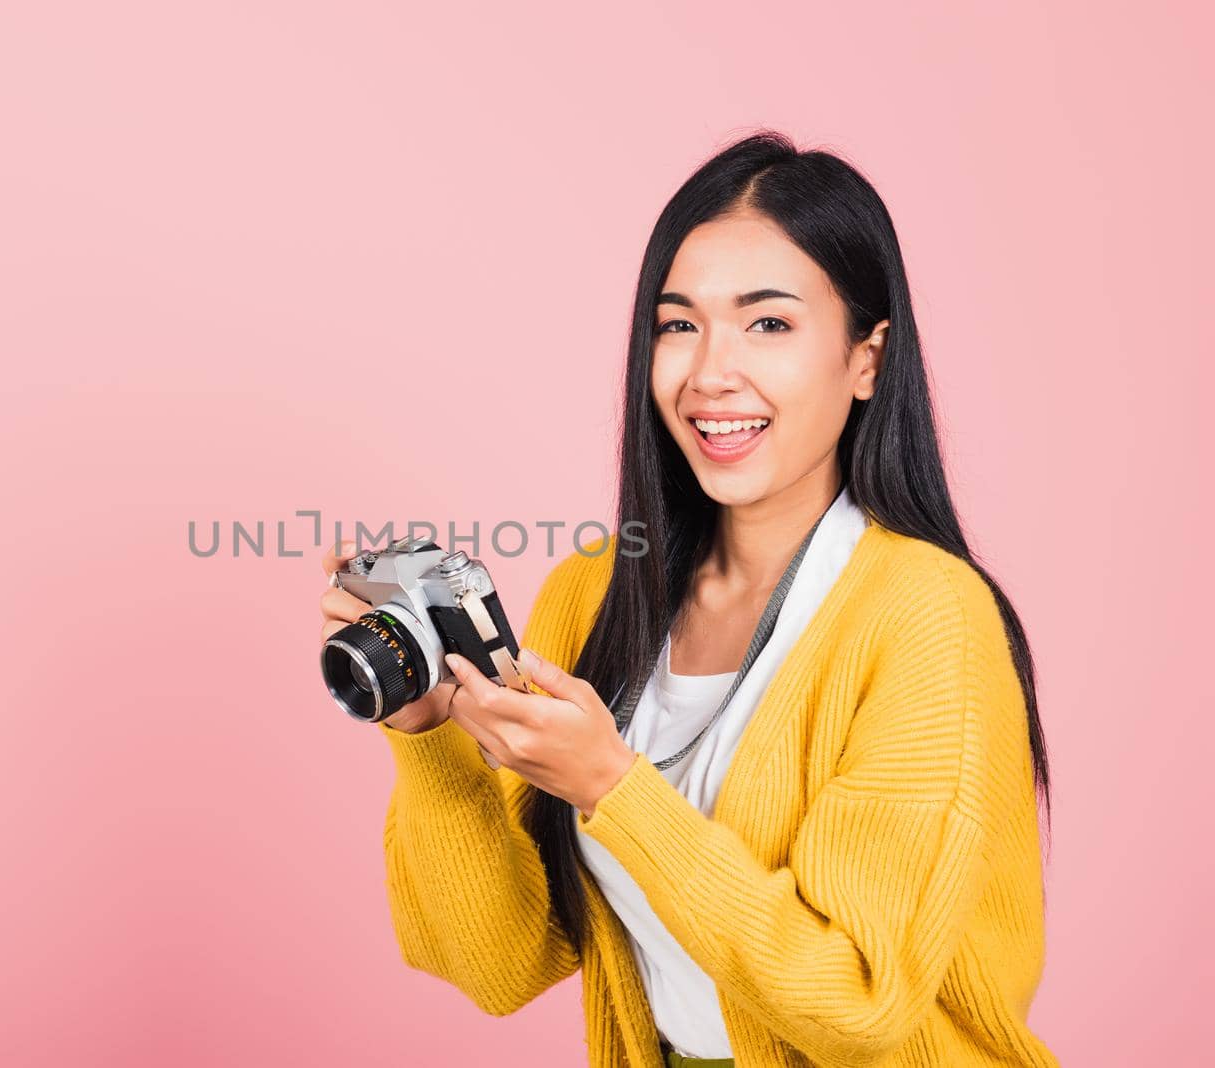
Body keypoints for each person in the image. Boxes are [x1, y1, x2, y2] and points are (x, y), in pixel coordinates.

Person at [318, 130, 1056, 1067]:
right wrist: (429, 743)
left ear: (867, 359)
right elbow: (496, 967)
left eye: (769, 324)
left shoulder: (927, 618)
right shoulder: (596, 593)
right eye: (679, 324)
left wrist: (613, 789)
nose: (711, 373)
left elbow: (857, 1005)